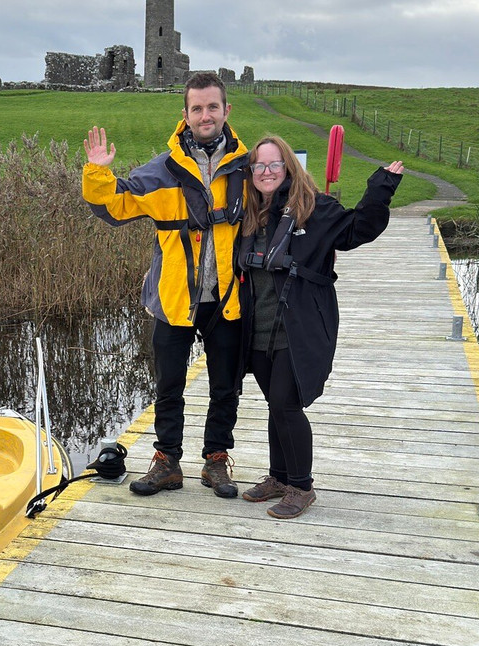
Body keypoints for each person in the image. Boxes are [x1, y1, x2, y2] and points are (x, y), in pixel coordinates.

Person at [82, 72, 248, 498]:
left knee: (225, 385)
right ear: (185, 115)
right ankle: (167, 461)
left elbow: (288, 203)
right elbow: (115, 207)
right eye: (197, 108)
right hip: (174, 299)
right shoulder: (163, 170)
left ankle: (215, 462)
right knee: (168, 385)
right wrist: (98, 173)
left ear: (226, 110)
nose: (205, 115)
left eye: (213, 106)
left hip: (227, 301)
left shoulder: (246, 170)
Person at [234, 134, 403, 518]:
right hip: (258, 328)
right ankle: (279, 476)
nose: (266, 172)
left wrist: (380, 190)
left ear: (288, 167)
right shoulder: (248, 214)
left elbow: (358, 230)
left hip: (301, 326)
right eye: (258, 165)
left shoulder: (315, 208)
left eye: (274, 164)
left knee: (286, 403)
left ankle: (301, 487)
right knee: (274, 404)